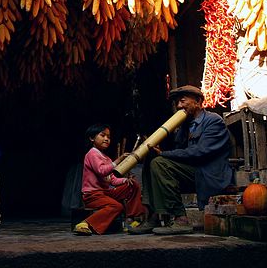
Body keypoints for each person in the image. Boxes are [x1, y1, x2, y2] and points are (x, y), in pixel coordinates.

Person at [132, 85, 233, 235]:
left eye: (182, 101)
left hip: (207, 173)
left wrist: (164, 154)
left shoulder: (213, 121)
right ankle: (152, 216)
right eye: (177, 103)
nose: (179, 106)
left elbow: (199, 152)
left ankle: (180, 219)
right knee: (151, 160)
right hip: (191, 171)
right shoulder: (184, 126)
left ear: (198, 101)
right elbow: (176, 151)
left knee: (160, 163)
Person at [73, 123, 147, 236]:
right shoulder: (92, 154)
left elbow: (112, 180)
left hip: (106, 193)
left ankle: (131, 220)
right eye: (102, 135)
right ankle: (85, 224)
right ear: (92, 138)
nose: (106, 139)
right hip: (93, 195)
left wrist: (125, 181)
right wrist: (118, 161)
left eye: (108, 136)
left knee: (132, 185)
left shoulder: (106, 158)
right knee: (117, 206)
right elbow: (101, 171)